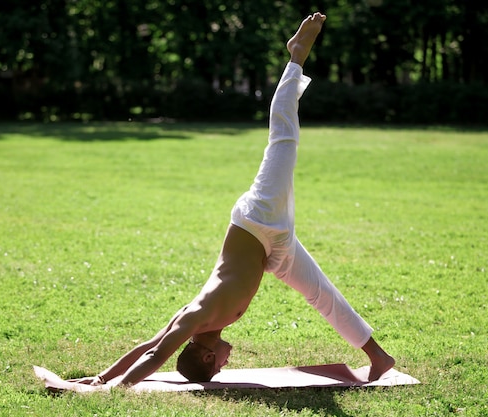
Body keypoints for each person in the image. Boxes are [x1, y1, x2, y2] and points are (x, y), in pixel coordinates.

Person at [69, 12, 394, 389]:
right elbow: (148, 344)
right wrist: (101, 376)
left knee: (283, 141)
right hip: (274, 247)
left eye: (218, 366)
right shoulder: (200, 324)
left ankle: (296, 58)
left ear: (207, 355)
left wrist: (114, 388)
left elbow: (155, 355)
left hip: (258, 218)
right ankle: (379, 357)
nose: (226, 363)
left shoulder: (196, 318)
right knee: (321, 293)